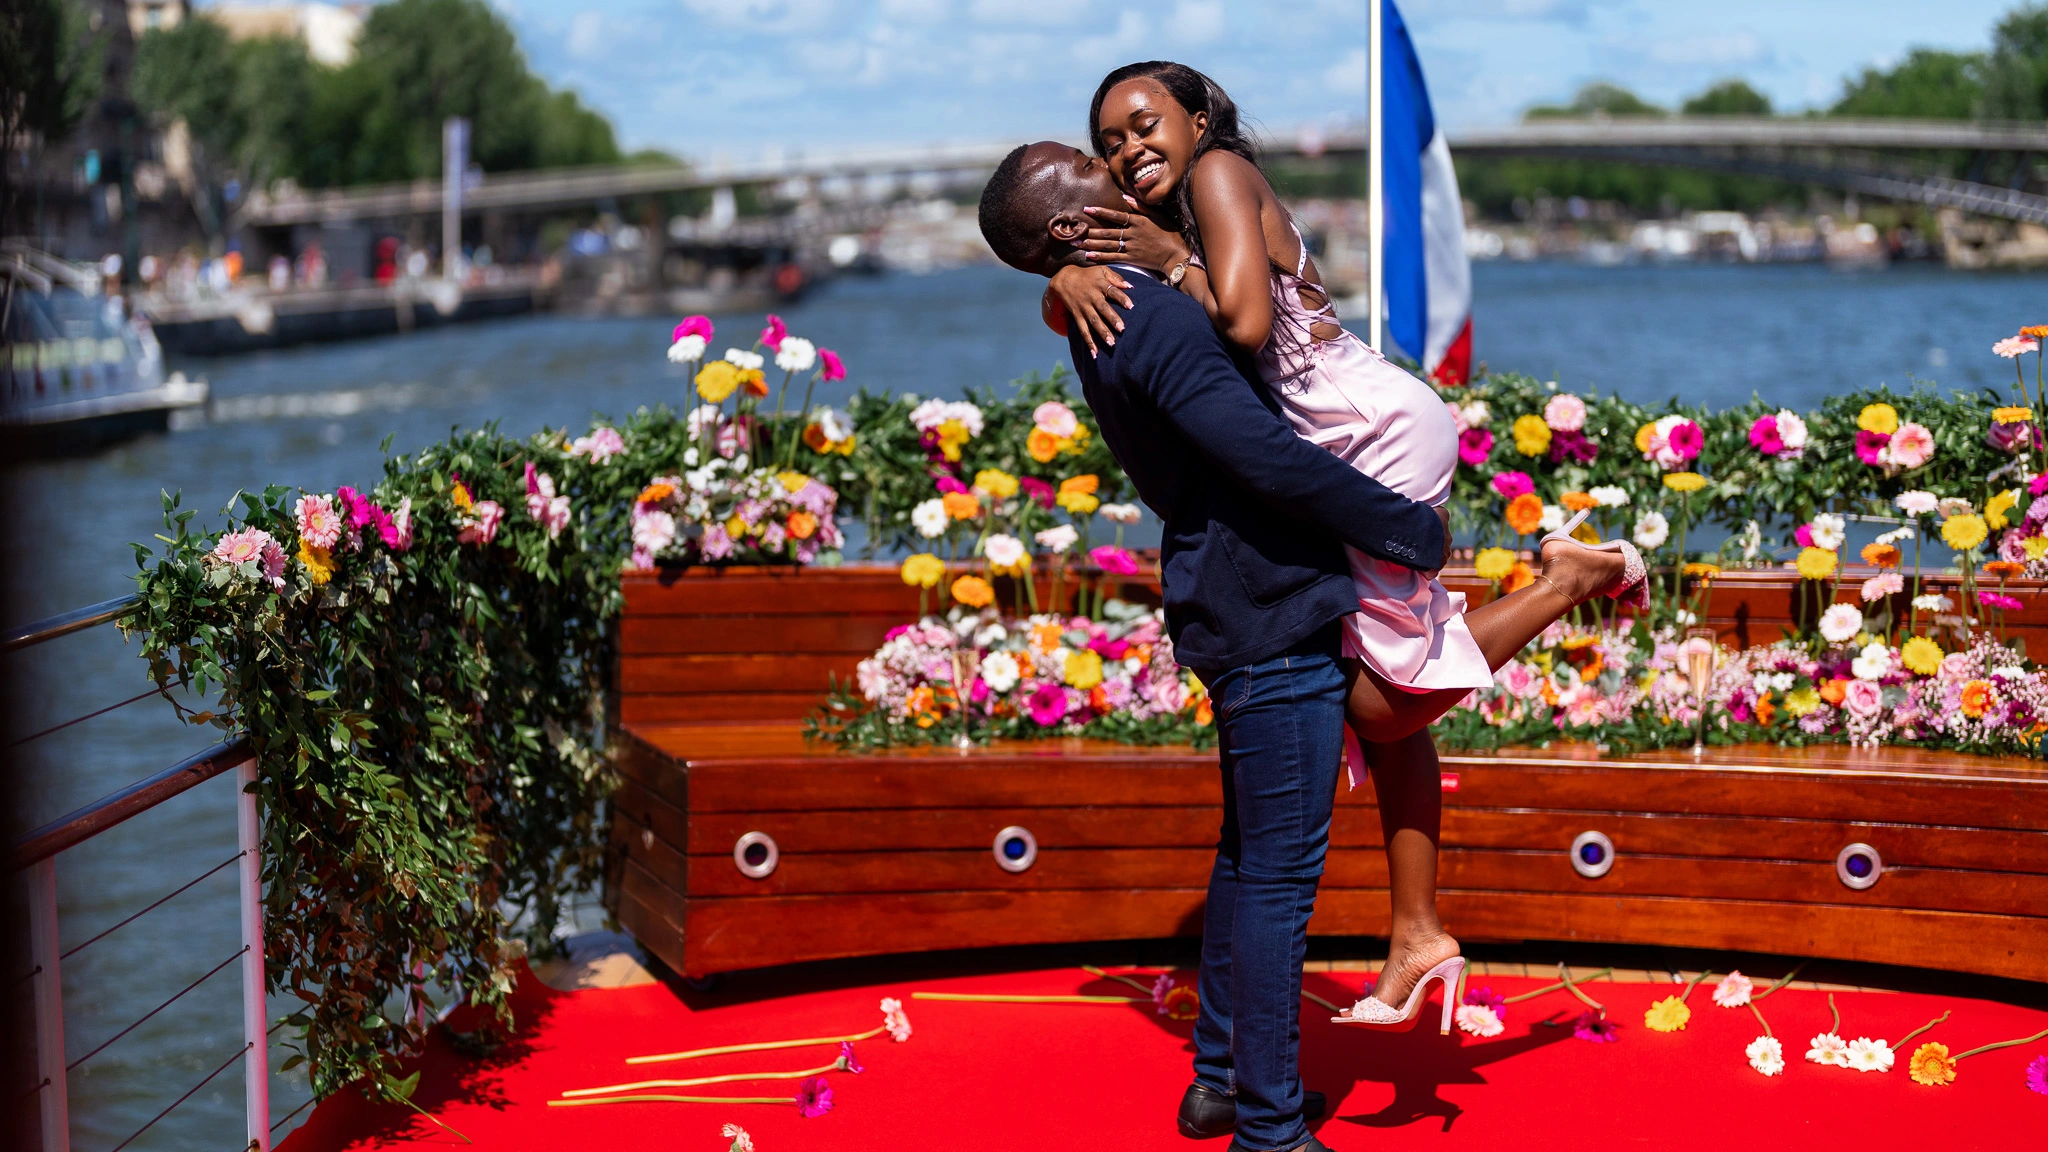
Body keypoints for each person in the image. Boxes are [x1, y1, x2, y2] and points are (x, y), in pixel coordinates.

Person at [977, 141, 1632, 1152]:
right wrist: (1399, 527)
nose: (1109, 166)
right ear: (1067, 229)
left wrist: (1063, 278)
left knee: (1247, 862)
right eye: (1084, 166)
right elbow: (1262, 454)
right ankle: (1271, 1131)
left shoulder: (1103, 304)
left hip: (1238, 594)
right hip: (1265, 601)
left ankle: (1221, 1087)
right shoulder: (1140, 314)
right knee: (1279, 879)